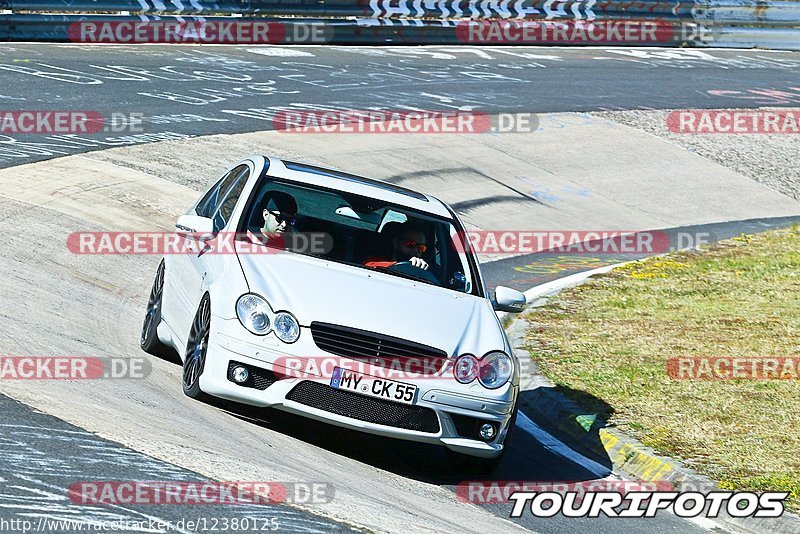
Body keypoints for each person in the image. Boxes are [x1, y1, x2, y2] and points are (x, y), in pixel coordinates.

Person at [364, 223, 429, 271]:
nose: (415, 250)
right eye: (410, 244)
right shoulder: (374, 260)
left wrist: (422, 269)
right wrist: (404, 266)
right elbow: (369, 266)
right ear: (396, 243)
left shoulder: (425, 270)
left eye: (421, 247)